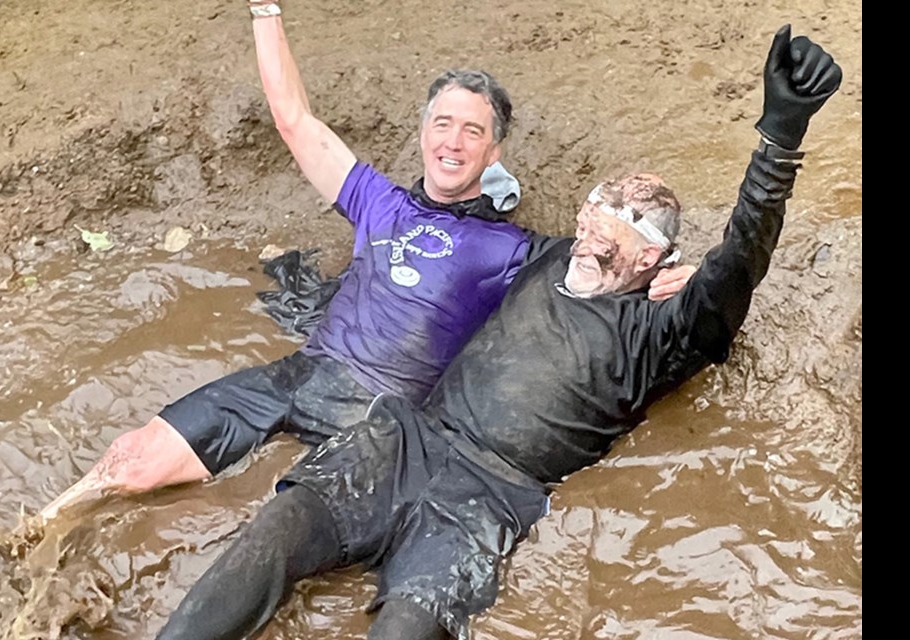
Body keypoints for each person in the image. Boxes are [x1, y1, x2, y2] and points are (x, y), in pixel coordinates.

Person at [154, 24, 842, 640]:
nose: (605, 214)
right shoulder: (540, 257)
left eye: (629, 215)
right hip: (406, 438)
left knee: (411, 623)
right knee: (280, 525)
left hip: (490, 496)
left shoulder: (666, 329)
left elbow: (741, 260)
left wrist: (778, 139)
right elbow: (453, 246)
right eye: (601, 200)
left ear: (653, 256)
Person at [32, 1, 693, 522]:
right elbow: (294, 118)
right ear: (421, 133)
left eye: (472, 130)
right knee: (131, 463)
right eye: (442, 123)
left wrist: (672, 276)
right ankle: (38, 530)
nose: (453, 141)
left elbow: (606, 267)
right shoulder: (376, 200)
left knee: (279, 530)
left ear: (494, 154)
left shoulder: (518, 250)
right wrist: (265, 9)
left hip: (384, 419)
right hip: (302, 374)